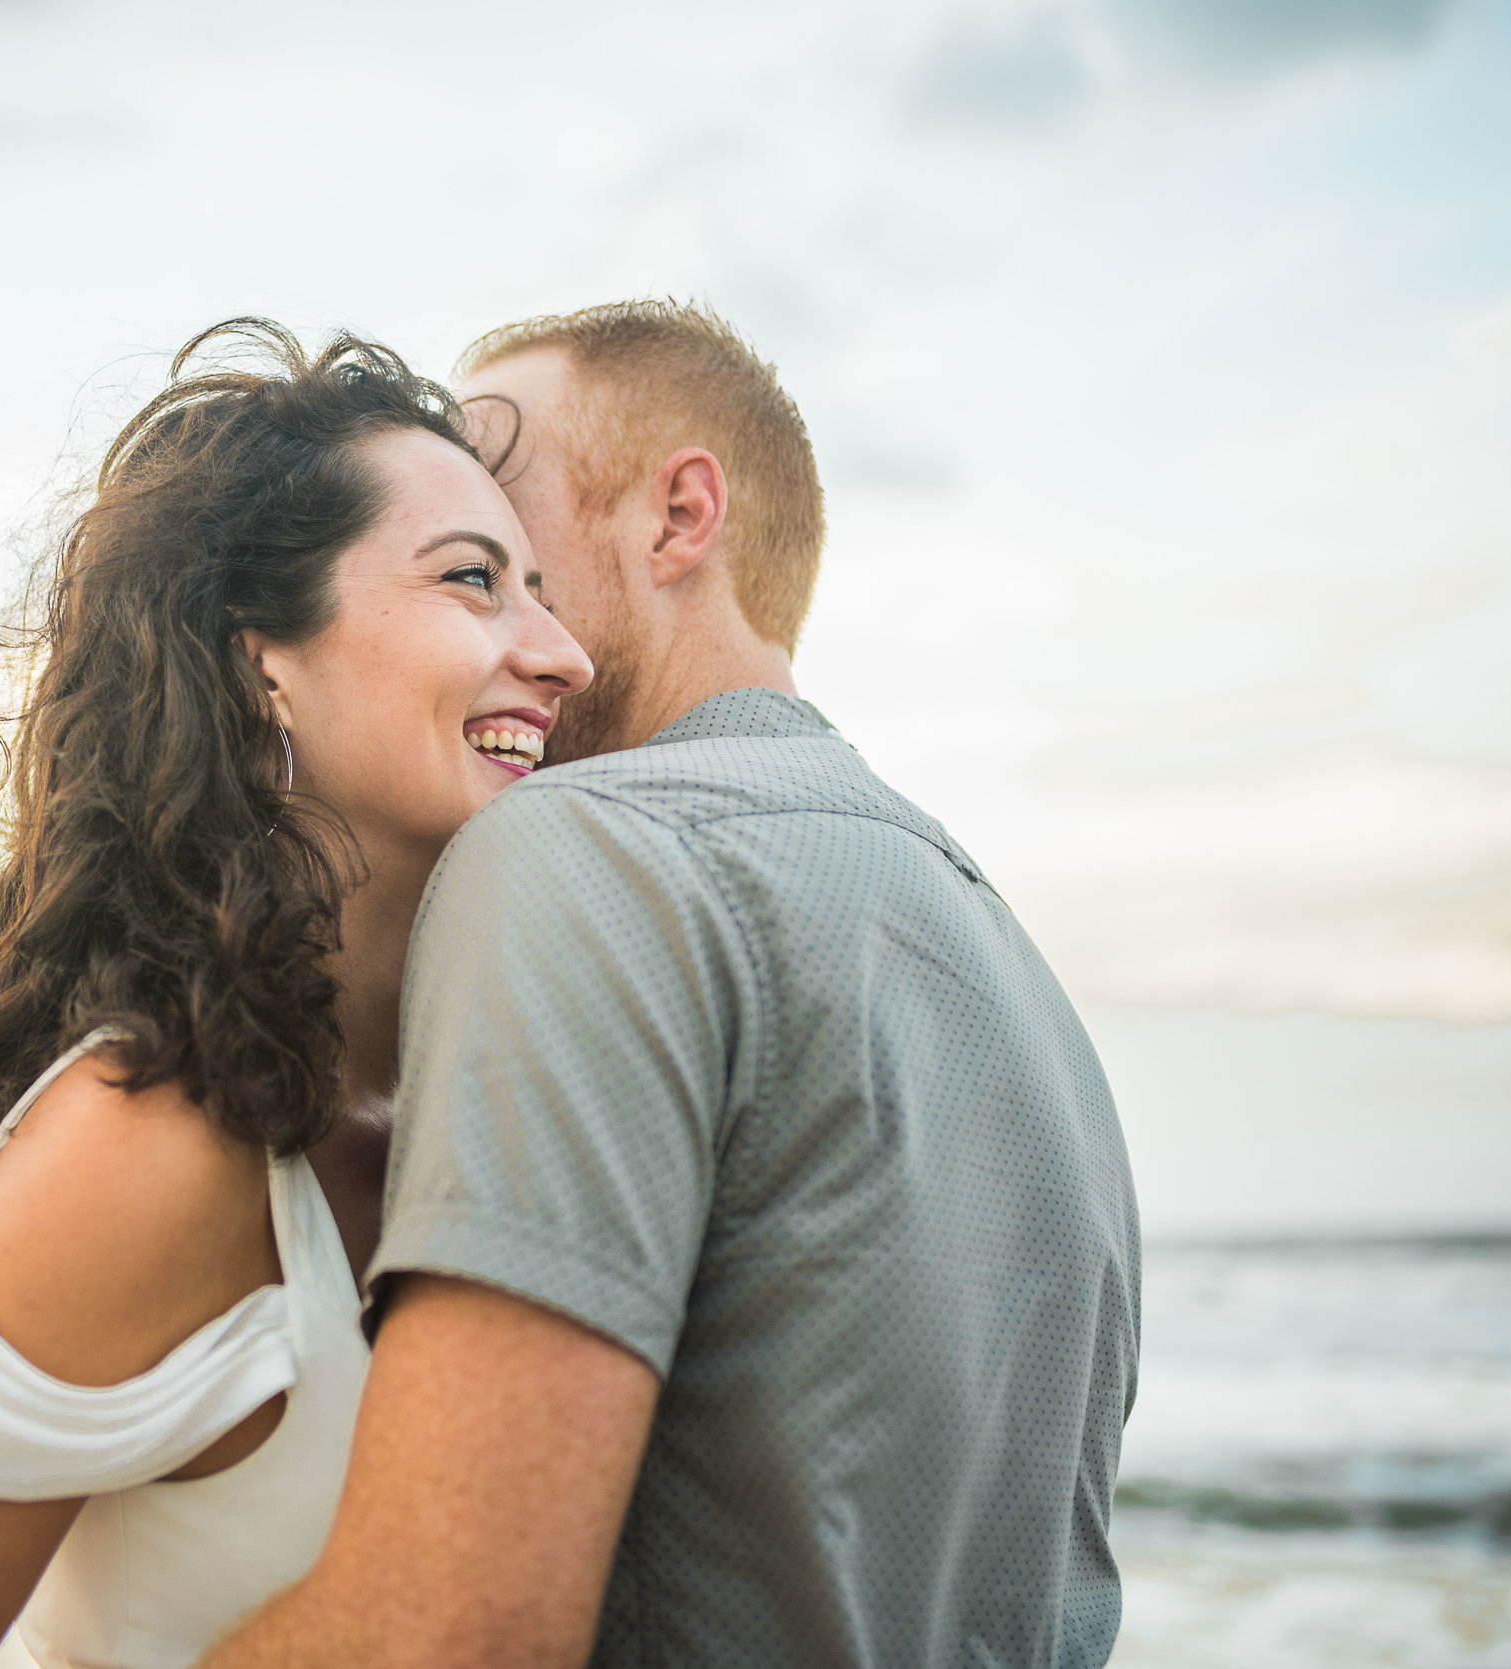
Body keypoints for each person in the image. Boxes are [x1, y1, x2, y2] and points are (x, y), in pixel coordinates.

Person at [199, 302, 1142, 1669]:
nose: (487, 576)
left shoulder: (581, 851)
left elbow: (450, 1636)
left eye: (496, 515)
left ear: (678, 516)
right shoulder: (1026, 988)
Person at [0, 320, 591, 1669]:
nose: (561, 655)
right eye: (474, 580)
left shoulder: (481, 1089)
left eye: (543, 588)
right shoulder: (145, 1146)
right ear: (262, 660)